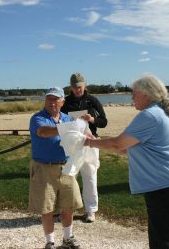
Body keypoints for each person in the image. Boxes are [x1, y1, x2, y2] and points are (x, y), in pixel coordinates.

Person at [84, 75, 169, 249]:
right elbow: (124, 147)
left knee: (162, 241)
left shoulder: (150, 115)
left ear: (146, 94)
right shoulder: (157, 112)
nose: (132, 97)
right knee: (160, 236)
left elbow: (117, 143)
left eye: (134, 93)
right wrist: (96, 140)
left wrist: (88, 142)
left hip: (167, 185)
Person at [29, 86, 83, 249]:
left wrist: (88, 135)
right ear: (45, 101)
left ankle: (68, 239)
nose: (52, 102)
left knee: (69, 205)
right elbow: (43, 132)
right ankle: (50, 242)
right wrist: (70, 128)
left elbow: (80, 135)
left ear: (62, 102)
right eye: (49, 99)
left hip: (67, 168)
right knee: (47, 208)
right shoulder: (37, 118)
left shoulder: (68, 119)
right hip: (44, 169)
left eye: (56, 99)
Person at [61, 72, 107, 223]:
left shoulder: (92, 100)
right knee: (69, 177)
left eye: (79, 87)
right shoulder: (66, 102)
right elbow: (60, 120)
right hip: (73, 144)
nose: (77, 90)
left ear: (84, 85)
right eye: (74, 87)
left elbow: (104, 122)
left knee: (90, 177)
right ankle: (68, 209)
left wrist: (92, 119)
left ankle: (90, 210)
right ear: (71, 87)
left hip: (90, 142)